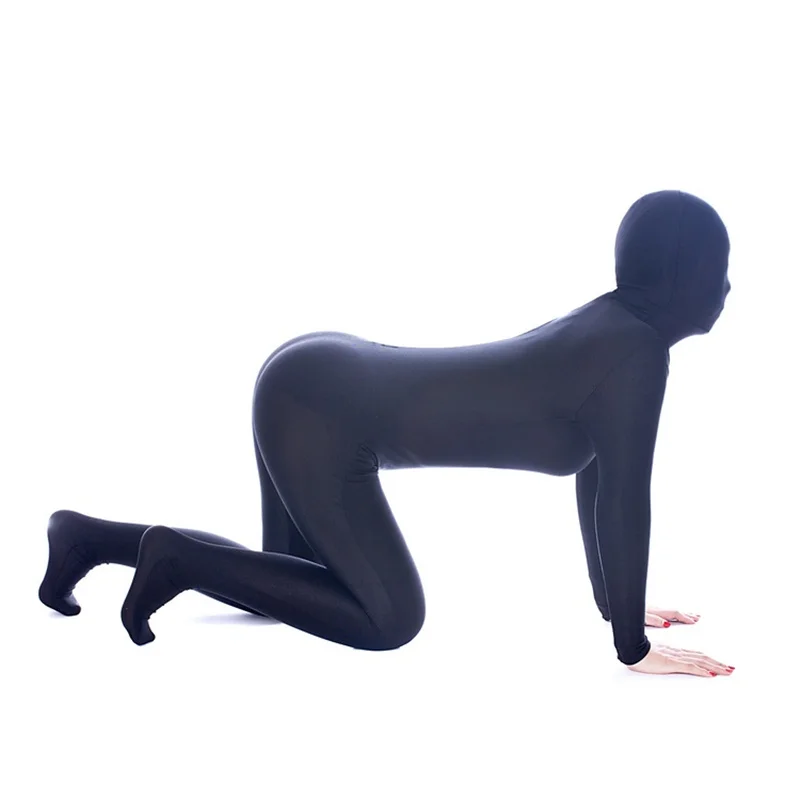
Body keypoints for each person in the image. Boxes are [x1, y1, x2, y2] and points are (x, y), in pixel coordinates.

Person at [39, 189, 735, 678]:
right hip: (322, 413)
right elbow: (624, 502)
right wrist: (632, 648)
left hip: (314, 377)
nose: (728, 287)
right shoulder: (634, 355)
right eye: (719, 269)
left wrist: (616, 606)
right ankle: (173, 558)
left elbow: (601, 478)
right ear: (681, 279)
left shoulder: (611, 332)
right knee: (389, 618)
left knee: (282, 582)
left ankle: (86, 539)